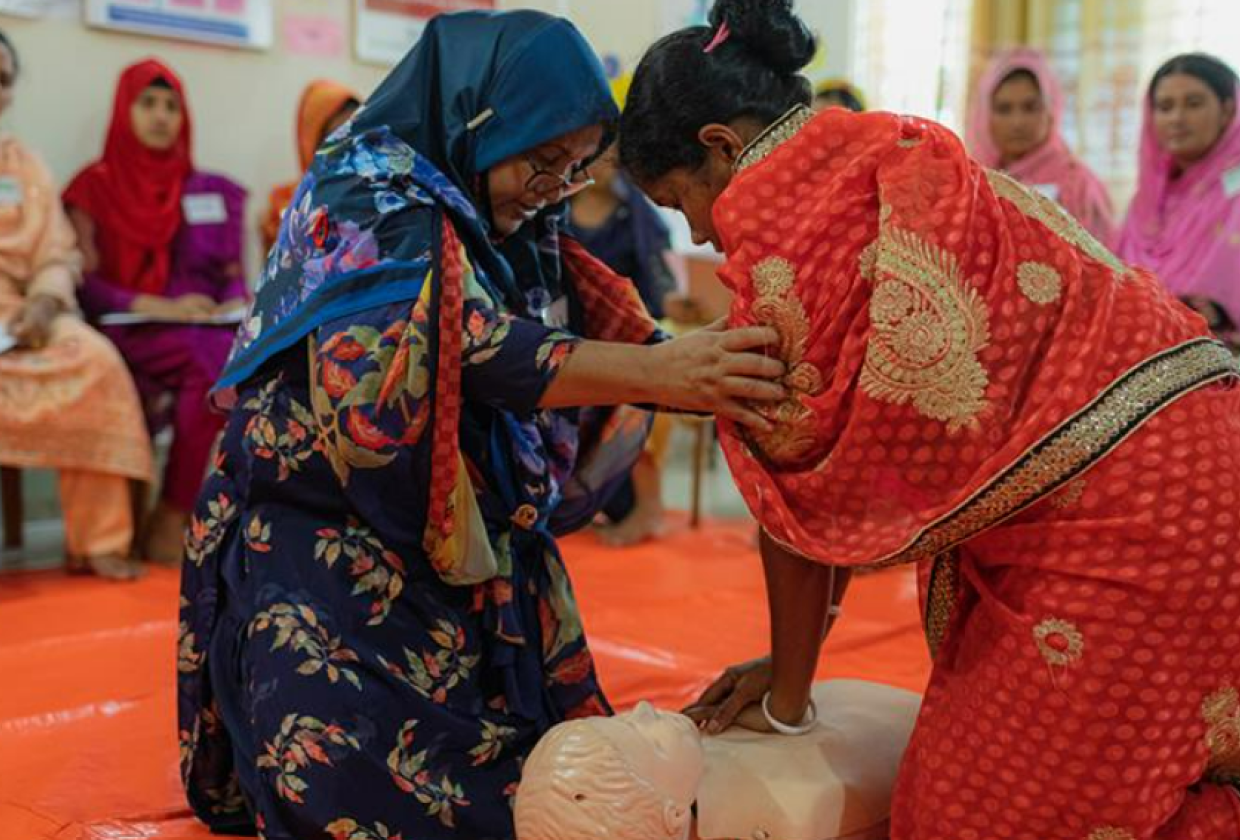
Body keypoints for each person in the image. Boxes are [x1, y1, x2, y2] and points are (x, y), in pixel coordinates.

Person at [618, 0, 1240, 837]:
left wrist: (788, 700)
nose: (698, 230)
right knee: (1131, 786)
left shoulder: (787, 233)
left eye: (678, 200)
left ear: (722, 147)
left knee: (970, 815)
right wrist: (790, 665)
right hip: (1199, 470)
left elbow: (801, 485)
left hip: (1134, 525)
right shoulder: (883, 147)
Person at [176, 10, 784, 840]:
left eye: (573, 169)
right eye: (542, 161)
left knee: (563, 789)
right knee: (353, 798)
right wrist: (664, 371)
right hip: (326, 523)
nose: (553, 189)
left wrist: (688, 362)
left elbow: (595, 309)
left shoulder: (515, 211)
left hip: (457, 530)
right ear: (480, 114)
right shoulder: (369, 188)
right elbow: (454, 344)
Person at [64, 59, 248, 565]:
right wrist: (160, 305)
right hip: (132, 327)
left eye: (172, 105)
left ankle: (203, 514)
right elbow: (88, 285)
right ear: (125, 110)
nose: (161, 115)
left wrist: (235, 297)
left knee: (230, 354)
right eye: (148, 102)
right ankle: (173, 515)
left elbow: (231, 270)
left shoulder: (211, 189)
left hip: (201, 328)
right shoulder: (93, 187)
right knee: (209, 361)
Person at [0, 31, 152, 580]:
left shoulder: (24, 167)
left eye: (2, 79)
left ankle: (98, 541)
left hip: (22, 312)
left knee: (96, 361)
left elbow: (56, 252)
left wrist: (44, 302)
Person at [567, 148, 677, 545]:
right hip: (573, 337)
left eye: (610, 158)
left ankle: (649, 510)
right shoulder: (560, 212)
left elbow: (663, 290)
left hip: (631, 340)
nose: (598, 165)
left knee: (636, 411)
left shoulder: (639, 220)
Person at [1117, 53, 1240, 347]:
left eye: (1194, 104)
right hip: (1139, 356)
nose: (1177, 118)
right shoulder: (1146, 201)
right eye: (1165, 106)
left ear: (1228, 110)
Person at [967, 47, 1116, 245]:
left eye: (1030, 108)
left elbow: (1103, 267)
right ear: (985, 115)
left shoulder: (1078, 185)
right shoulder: (972, 181)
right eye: (1004, 109)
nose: (1017, 122)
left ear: (1051, 111)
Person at [260, 79, 361, 254]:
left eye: (357, 132)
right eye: (337, 135)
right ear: (312, 140)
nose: (350, 145)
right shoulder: (284, 204)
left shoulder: (379, 196)